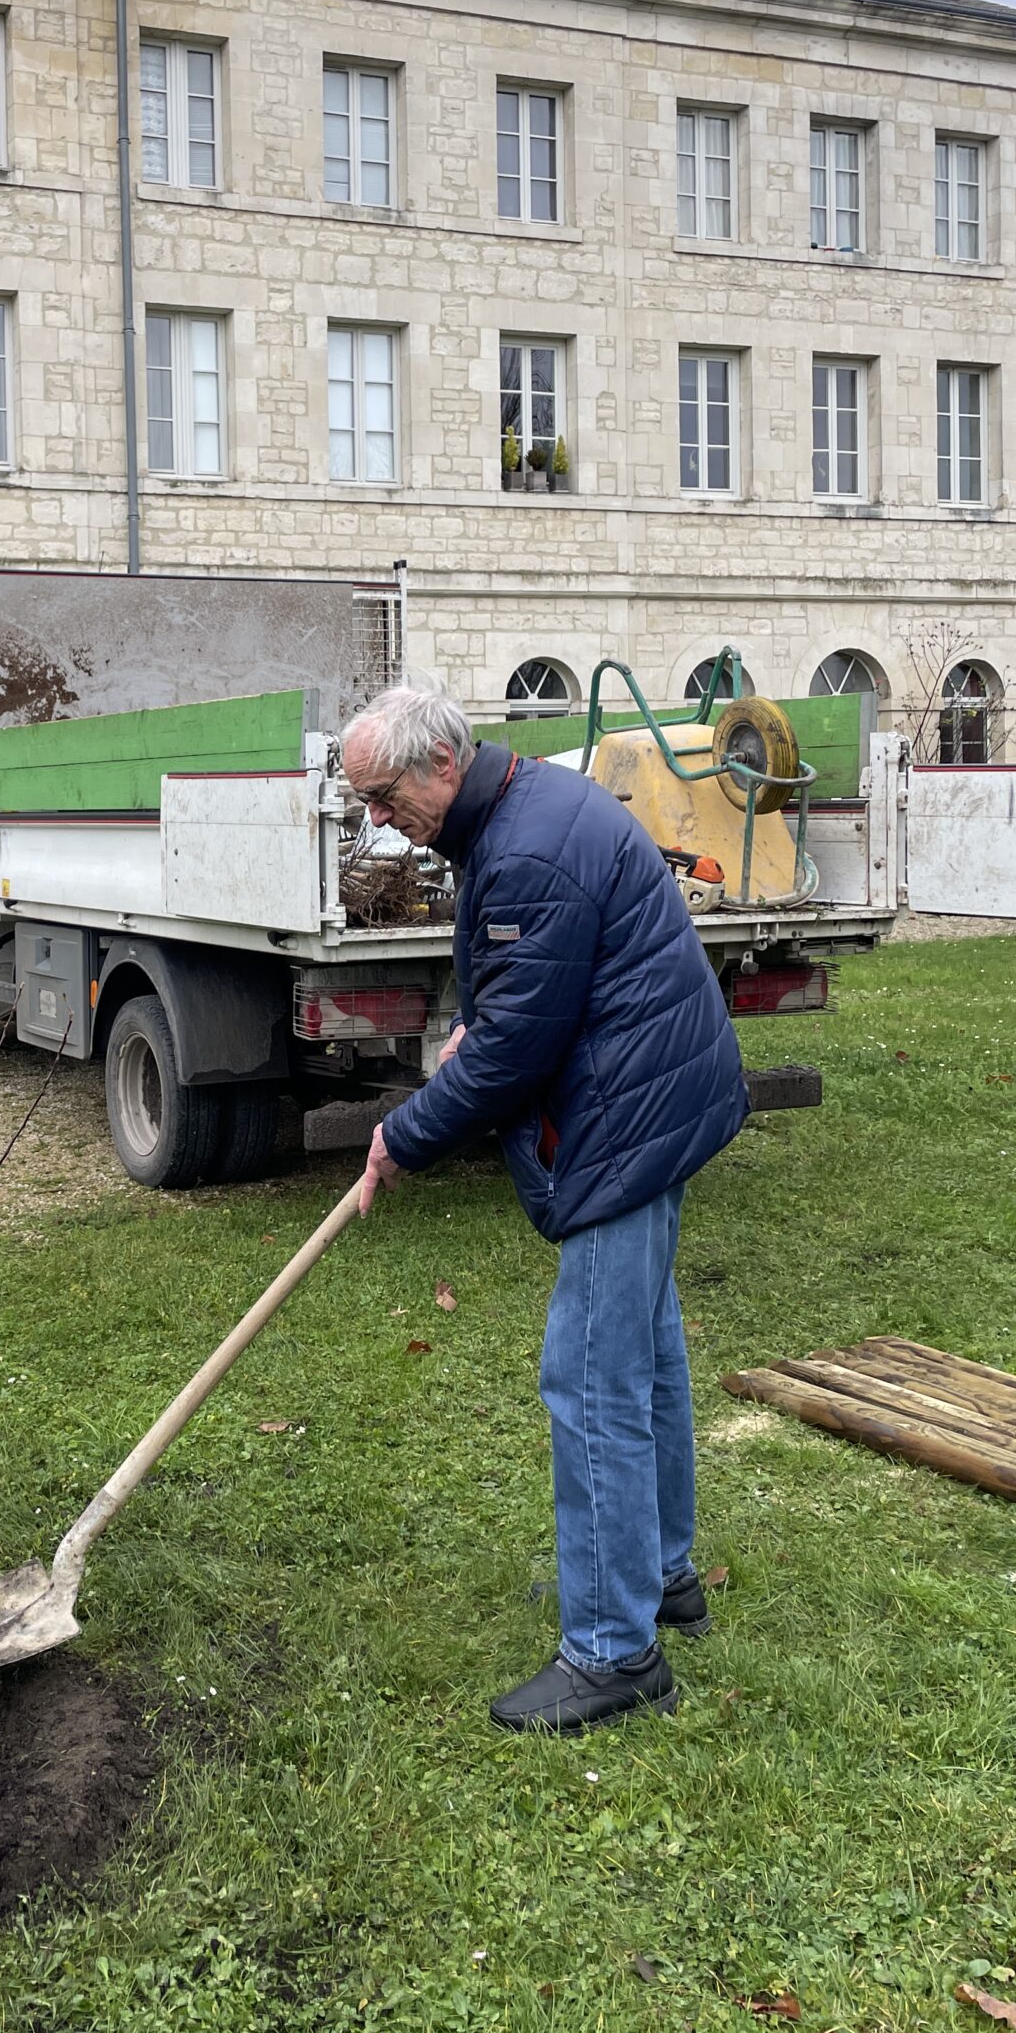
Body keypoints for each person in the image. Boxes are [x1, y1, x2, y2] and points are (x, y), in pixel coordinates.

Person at [343, 683, 748, 1732]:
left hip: (628, 1121)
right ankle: (657, 1576)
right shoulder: (520, 815)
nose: (377, 818)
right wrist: (482, 1027)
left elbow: (520, 1051)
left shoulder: (523, 846)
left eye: (384, 796)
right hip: (651, 1095)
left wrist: (404, 1131)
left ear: (441, 765)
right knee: (645, 1352)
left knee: (591, 1375)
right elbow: (537, 994)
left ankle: (614, 1650)